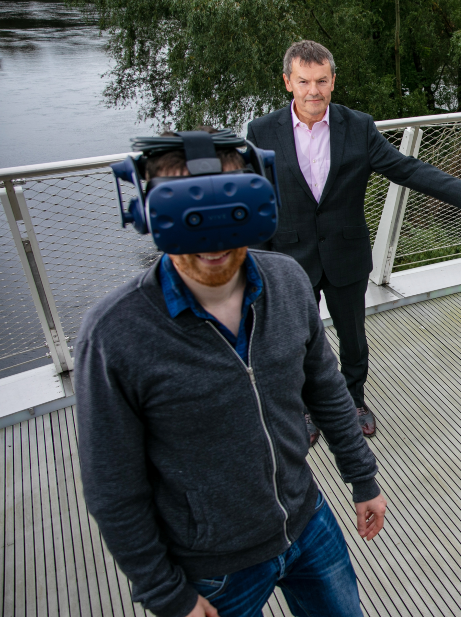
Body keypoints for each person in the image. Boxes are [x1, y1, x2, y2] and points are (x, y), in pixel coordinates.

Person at [77, 130, 387, 617]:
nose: (214, 240)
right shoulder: (116, 336)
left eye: (231, 208)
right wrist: (166, 592)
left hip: (308, 522)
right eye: (189, 218)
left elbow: (326, 388)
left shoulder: (287, 281)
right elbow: (113, 487)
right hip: (213, 566)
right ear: (150, 215)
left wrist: (362, 477)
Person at [247, 40, 461, 437]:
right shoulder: (261, 132)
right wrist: (257, 263)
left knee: (353, 340)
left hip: (346, 255)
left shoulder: (358, 126)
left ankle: (352, 400)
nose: (312, 90)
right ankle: (304, 408)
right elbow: (254, 198)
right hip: (290, 258)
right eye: (303, 81)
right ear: (287, 83)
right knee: (296, 340)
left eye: (321, 81)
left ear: (333, 81)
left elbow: (406, 168)